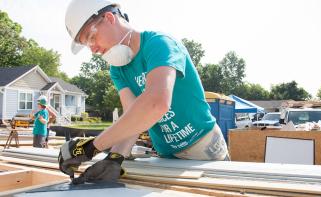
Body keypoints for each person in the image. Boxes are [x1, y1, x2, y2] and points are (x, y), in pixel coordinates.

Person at [59, 0, 230, 183]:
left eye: (91, 38)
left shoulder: (160, 44)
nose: (92, 50)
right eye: (87, 44)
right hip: (167, 154)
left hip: (203, 146)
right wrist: (115, 158)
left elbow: (156, 104)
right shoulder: (118, 69)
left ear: (109, 18)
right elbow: (134, 119)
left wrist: (92, 147)